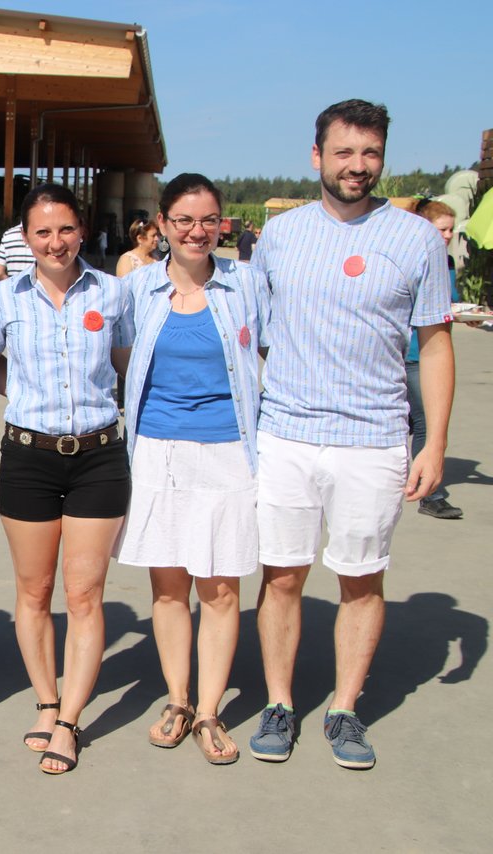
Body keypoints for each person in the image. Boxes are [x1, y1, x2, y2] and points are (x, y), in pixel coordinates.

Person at [247, 100, 454, 770]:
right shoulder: (279, 236)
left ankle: (343, 709)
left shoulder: (417, 239)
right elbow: (253, 336)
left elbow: (437, 343)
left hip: (373, 438)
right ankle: (279, 702)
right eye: (344, 152)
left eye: (369, 153)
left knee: (361, 579)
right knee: (282, 576)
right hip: (287, 433)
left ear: (382, 158)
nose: (357, 166)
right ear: (317, 157)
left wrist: (435, 443)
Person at [0, 183, 134, 775]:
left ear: (82, 230)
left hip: (97, 457)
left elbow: (124, 369)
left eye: (65, 229)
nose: (55, 242)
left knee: (84, 593)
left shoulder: (113, 293)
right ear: (25, 237)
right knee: (34, 591)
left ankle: (69, 722)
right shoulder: (3, 298)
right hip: (27, 459)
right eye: (42, 232)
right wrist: (31, 399)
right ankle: (46, 701)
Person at [115, 174, 270, 765]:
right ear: (163, 224)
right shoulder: (138, 290)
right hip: (156, 451)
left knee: (222, 586)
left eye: (208, 220)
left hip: (228, 451)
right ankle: (177, 700)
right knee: (169, 587)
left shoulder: (246, 286)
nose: (197, 231)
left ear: (222, 223)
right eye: (184, 219)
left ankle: (209, 711)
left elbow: (275, 354)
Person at [407, 199, 463, 519]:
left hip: (431, 354)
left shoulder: (450, 263)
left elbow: (447, 305)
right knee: (424, 423)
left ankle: (424, 487)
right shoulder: (415, 258)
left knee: (420, 422)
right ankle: (430, 493)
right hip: (412, 353)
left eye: (451, 229)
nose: (448, 235)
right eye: (442, 229)